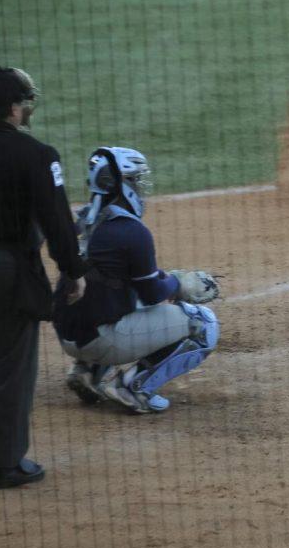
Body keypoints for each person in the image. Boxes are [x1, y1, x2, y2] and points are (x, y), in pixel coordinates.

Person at [0, 66, 87, 489]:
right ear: (13, 110)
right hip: (5, 274)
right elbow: (57, 222)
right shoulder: (36, 155)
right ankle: (1, 465)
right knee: (10, 369)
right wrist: (72, 271)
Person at [52, 146, 221, 415]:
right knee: (204, 323)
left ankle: (86, 371)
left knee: (112, 291)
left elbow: (120, 278)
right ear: (120, 184)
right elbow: (153, 293)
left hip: (67, 335)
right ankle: (133, 387)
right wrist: (179, 284)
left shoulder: (83, 221)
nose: (141, 188)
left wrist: (168, 279)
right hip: (102, 340)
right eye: (135, 180)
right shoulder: (132, 232)